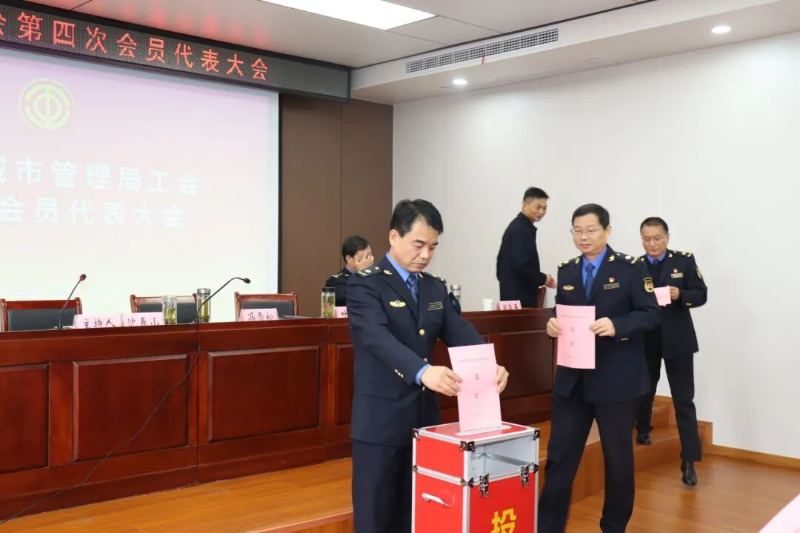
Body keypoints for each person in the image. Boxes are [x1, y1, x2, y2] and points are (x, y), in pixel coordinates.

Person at [347, 199, 510, 533]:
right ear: (394, 236)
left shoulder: (434, 286)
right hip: (379, 423)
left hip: (425, 423)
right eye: (418, 244)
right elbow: (376, 338)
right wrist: (423, 371)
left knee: (422, 514)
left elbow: (458, 331)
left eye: (433, 247)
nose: (425, 254)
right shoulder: (365, 284)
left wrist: (489, 364)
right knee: (375, 518)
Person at [539, 203, 660, 533]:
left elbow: (651, 314)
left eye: (591, 230)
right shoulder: (567, 270)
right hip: (572, 382)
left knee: (618, 461)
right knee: (559, 459)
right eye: (577, 231)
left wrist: (618, 325)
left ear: (607, 230)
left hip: (616, 381)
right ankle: (548, 527)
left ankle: (614, 526)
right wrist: (552, 323)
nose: (584, 237)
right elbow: (561, 311)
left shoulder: (630, 268)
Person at [635, 217, 707, 486]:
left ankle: (689, 460)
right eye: (647, 239)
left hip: (678, 339)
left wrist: (681, 295)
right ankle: (643, 428)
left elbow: (701, 294)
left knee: (684, 400)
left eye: (657, 238)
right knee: (644, 390)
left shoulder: (684, 261)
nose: (652, 243)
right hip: (646, 339)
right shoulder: (634, 266)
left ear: (667, 237)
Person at [496, 187, 557, 307]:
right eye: (538, 207)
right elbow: (521, 266)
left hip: (513, 299)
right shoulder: (520, 229)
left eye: (544, 208)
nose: (541, 212)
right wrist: (542, 278)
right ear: (524, 205)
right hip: (519, 303)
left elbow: (500, 268)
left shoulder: (519, 226)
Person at [325, 235, 373, 307]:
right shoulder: (335, 281)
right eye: (365, 257)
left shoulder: (376, 277)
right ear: (349, 259)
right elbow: (349, 299)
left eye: (370, 255)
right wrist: (360, 275)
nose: (370, 260)